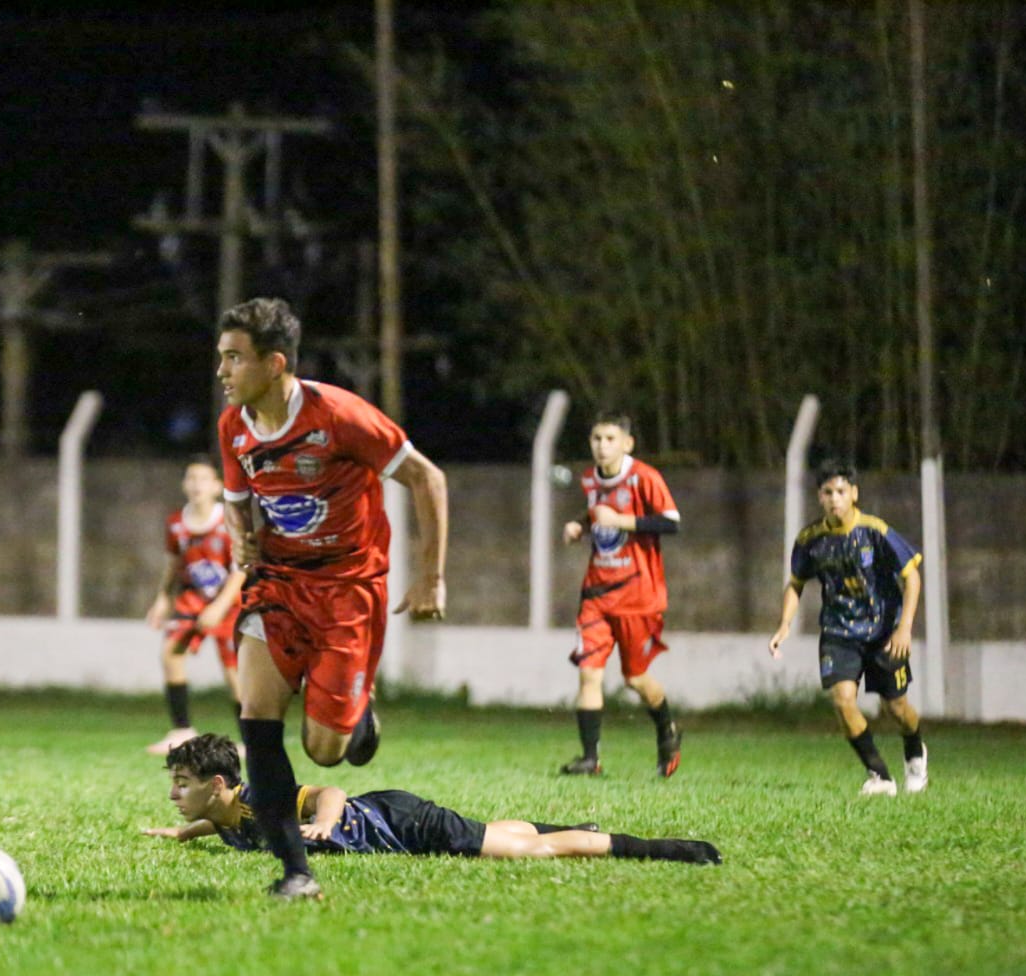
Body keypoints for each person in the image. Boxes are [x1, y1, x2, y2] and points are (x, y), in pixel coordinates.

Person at [215, 297, 448, 899]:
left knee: (325, 753)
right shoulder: (233, 426)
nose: (223, 371)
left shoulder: (339, 415)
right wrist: (244, 540)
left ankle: (357, 714)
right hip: (281, 583)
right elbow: (238, 496)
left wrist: (431, 576)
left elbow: (427, 477)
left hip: (348, 589)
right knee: (256, 719)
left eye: (235, 358)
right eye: (221, 358)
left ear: (275, 364)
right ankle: (297, 872)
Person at [143, 734, 721, 866]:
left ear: (217, 785)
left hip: (404, 824)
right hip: (397, 812)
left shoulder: (263, 798)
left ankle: (668, 849)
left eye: (183, 784)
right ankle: (574, 823)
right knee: (493, 828)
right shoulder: (225, 816)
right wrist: (178, 833)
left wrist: (322, 823)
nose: (174, 793)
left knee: (530, 852)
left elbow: (330, 789)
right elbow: (226, 830)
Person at [769, 459, 928, 796]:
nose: (834, 498)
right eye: (827, 492)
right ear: (819, 497)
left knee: (896, 709)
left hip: (883, 632)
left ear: (854, 494)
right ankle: (880, 777)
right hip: (839, 632)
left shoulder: (875, 531)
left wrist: (904, 628)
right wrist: (784, 624)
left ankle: (915, 749)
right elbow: (795, 583)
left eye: (841, 491)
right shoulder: (811, 539)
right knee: (843, 701)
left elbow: (912, 576)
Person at [560, 413, 683, 778]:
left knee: (635, 679)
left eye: (610, 439)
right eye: (596, 438)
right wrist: (579, 525)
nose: (602, 445)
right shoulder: (589, 478)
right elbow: (597, 514)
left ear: (627, 443)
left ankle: (667, 729)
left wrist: (623, 522)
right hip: (597, 593)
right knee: (589, 674)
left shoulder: (645, 477)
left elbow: (671, 521)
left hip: (638, 595)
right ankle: (589, 759)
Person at [143, 456, 245, 755]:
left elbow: (242, 568)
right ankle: (182, 730)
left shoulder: (230, 520)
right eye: (191, 478)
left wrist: (219, 607)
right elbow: (174, 563)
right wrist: (163, 597)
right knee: (171, 653)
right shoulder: (177, 523)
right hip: (192, 599)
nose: (196, 484)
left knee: (235, 672)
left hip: (228, 603)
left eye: (203, 479)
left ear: (217, 486)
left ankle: (248, 739)